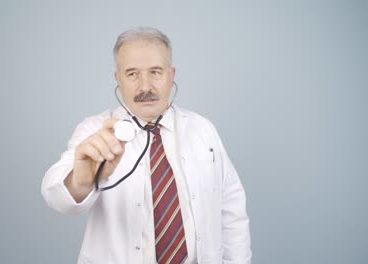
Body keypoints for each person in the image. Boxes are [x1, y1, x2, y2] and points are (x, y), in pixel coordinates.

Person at [41, 27, 252, 264]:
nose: (145, 87)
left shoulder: (203, 129)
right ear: (118, 79)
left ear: (171, 75)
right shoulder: (95, 131)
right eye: (132, 74)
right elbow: (56, 196)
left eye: (156, 72)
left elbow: (231, 209)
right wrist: (81, 181)